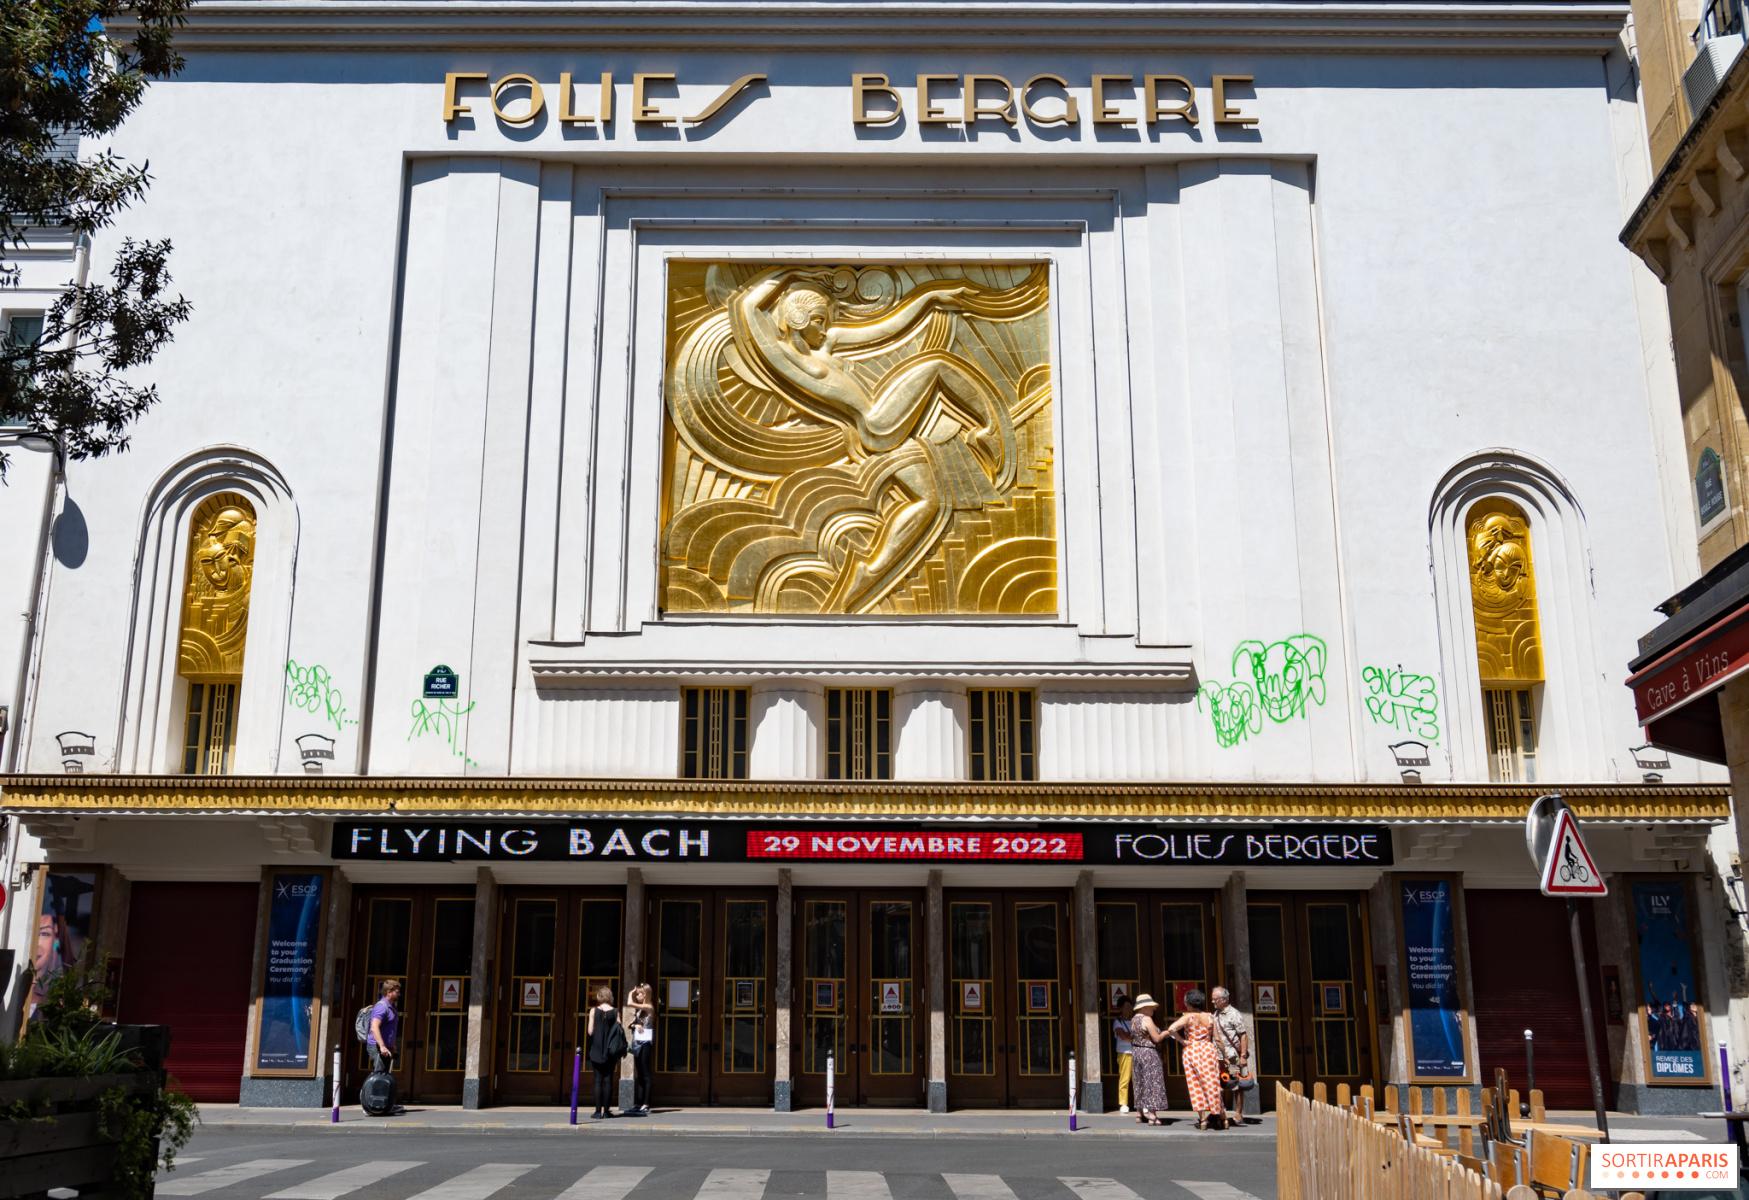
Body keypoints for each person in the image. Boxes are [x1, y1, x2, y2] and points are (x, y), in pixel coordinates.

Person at [1165, 989, 1225, 1130]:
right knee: (1212, 1083)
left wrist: (1182, 1041)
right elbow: (1217, 1038)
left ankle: (1203, 1119)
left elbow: (1171, 1029)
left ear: (1189, 1003)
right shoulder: (1210, 1017)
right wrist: (1225, 1056)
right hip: (1208, 1050)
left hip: (1192, 1050)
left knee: (1196, 1085)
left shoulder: (1188, 1017)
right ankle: (1222, 1117)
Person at [1211, 986, 1255, 1124]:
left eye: (1215, 999)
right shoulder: (1216, 1014)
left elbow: (1243, 1035)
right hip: (1218, 1056)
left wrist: (1242, 1056)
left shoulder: (1234, 1014)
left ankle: (1238, 1113)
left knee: (1236, 1084)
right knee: (1219, 1083)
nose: (1213, 1001)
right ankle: (1219, 1112)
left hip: (1232, 1057)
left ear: (1224, 999)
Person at [1126, 994, 1171, 1126]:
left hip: (1136, 1052)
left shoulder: (1134, 1019)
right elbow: (1156, 1038)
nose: (1153, 1009)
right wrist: (1167, 1032)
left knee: (1139, 1082)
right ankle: (1152, 1115)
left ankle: (1139, 1113)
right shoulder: (1147, 1019)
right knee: (1152, 1082)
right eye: (1151, 1007)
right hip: (1148, 1053)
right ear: (1144, 1007)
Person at [585, 985, 623, 1119]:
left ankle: (597, 1111)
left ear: (599, 997)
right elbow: (619, 1030)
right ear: (610, 997)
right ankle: (606, 1111)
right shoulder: (615, 1011)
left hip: (596, 1050)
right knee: (608, 1080)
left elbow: (590, 1031)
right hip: (610, 1051)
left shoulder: (593, 1011)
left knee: (597, 1080)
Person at [625, 982, 655, 1116]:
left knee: (645, 1072)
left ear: (646, 994)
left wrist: (630, 993)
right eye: (637, 993)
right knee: (639, 1073)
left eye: (640, 993)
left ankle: (646, 1104)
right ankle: (639, 1103)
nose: (637, 995)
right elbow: (631, 1025)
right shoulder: (640, 1010)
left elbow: (629, 1003)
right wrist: (635, 1026)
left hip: (646, 1043)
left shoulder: (648, 1006)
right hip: (637, 1042)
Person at [368, 980, 401, 1075]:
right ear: (389, 992)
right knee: (379, 1077)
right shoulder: (382, 1007)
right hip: (378, 1047)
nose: (399, 994)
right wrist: (382, 1046)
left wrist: (392, 1045)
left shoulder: (391, 1007)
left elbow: (390, 1028)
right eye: (397, 992)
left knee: (383, 1075)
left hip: (386, 1047)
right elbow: (374, 1027)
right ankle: (370, 1090)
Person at [1111, 994, 1134, 1114]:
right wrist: (1134, 1037)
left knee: (1139, 1079)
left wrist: (1132, 1037)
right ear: (1120, 1008)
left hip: (1137, 1052)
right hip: (1124, 1052)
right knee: (1125, 1079)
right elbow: (1123, 1036)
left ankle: (1140, 1103)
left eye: (1130, 1006)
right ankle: (1123, 1103)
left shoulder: (1135, 1020)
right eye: (1125, 1007)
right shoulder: (1117, 1021)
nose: (1128, 1009)